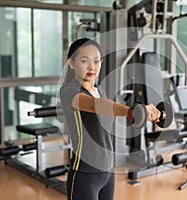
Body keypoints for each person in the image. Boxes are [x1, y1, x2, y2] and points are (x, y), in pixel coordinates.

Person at [60, 38, 161, 200]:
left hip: (108, 171)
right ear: (71, 63)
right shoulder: (69, 91)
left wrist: (143, 111)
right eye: (84, 61)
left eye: (96, 61)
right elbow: (95, 105)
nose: (91, 66)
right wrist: (133, 111)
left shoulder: (100, 90)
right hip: (85, 174)